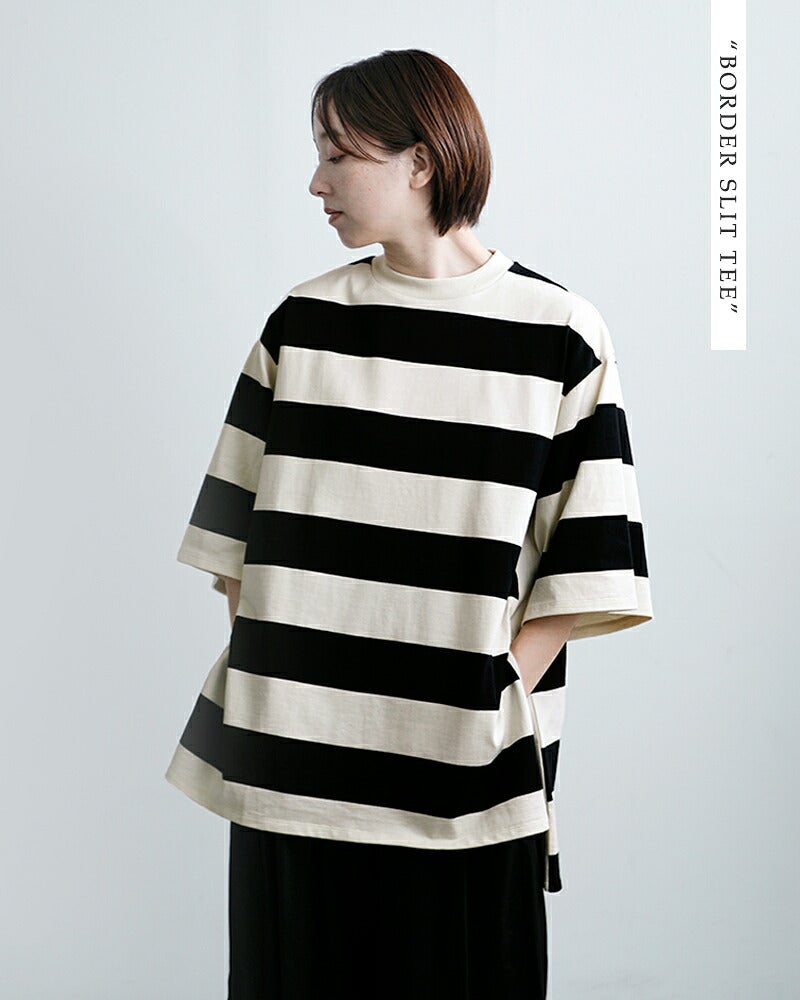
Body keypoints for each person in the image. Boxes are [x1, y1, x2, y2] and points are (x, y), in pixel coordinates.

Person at [165, 48, 653, 1000]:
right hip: (294, 782)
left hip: (466, 784)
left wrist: (483, 699)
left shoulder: (558, 335)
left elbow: (588, 563)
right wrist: (298, 705)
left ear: (420, 161)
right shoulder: (302, 326)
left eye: (337, 156)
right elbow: (234, 546)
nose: (316, 184)